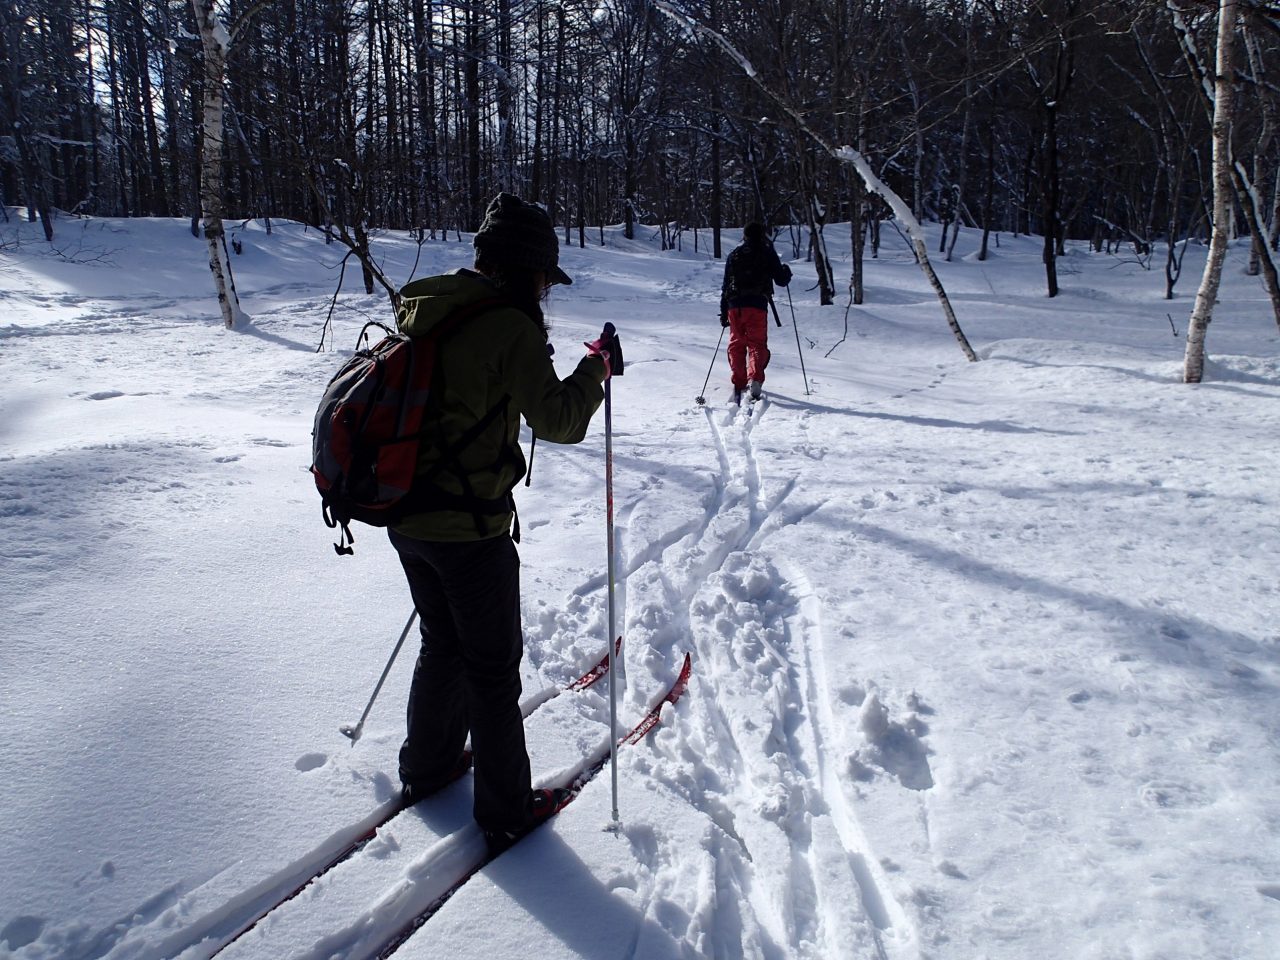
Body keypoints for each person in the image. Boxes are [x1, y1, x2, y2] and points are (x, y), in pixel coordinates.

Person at [389, 192, 615, 851]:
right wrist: (594, 370)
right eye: (545, 276)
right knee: (491, 670)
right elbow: (560, 421)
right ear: (526, 270)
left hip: (405, 515)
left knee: (442, 644)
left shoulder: (427, 305)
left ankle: (426, 767)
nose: (547, 289)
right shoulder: (508, 326)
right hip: (470, 530)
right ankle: (506, 808)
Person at [719, 222, 792, 402]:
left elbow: (725, 285)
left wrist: (723, 311)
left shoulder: (734, 255)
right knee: (756, 344)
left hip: (735, 305)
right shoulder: (767, 253)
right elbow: (781, 281)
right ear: (762, 235)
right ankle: (755, 378)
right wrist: (786, 272)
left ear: (744, 236)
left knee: (736, 343)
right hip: (757, 304)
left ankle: (739, 379)